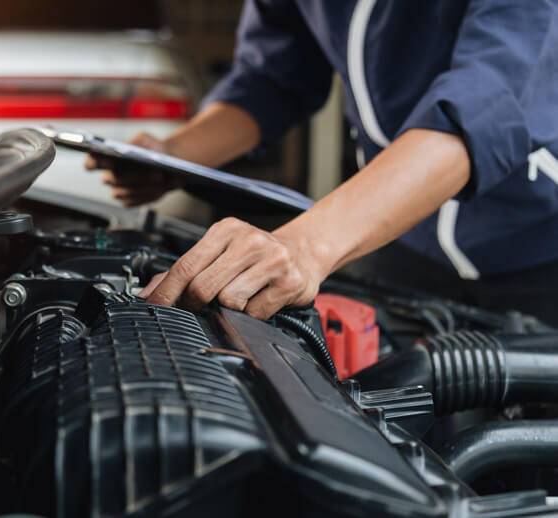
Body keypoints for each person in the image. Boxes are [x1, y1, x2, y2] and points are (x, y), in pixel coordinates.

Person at [86, 1, 558, 325]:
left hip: (540, 242)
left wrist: (304, 247)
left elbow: (485, 104)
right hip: (403, 243)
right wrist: (175, 157)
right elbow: (273, 77)